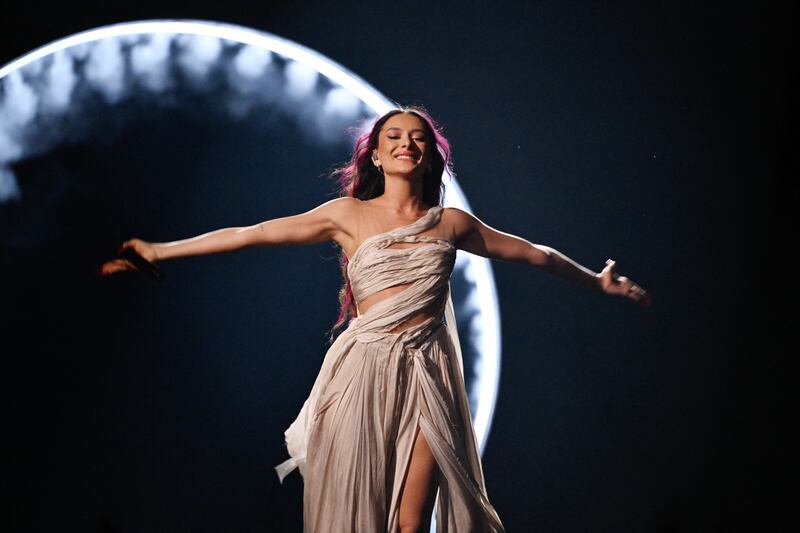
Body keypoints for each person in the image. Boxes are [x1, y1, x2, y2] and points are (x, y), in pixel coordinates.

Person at [99, 106, 650, 532]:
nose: (407, 143)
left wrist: (595, 281)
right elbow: (254, 233)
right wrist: (157, 249)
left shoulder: (451, 223)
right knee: (358, 514)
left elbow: (534, 252)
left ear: (429, 156)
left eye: (418, 138)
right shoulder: (347, 215)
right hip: (363, 375)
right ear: (377, 157)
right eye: (394, 137)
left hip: (430, 379)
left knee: (412, 523)